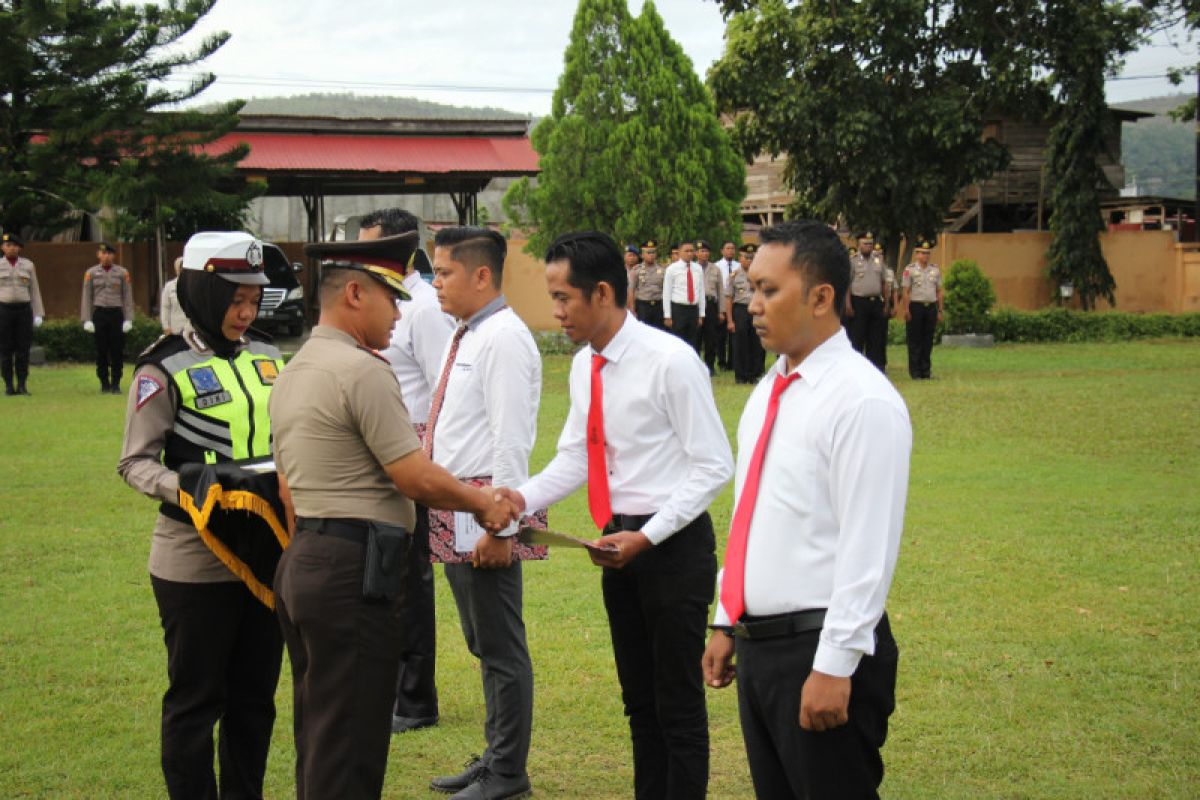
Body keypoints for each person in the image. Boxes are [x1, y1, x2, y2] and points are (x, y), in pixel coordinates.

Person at [270, 231, 518, 800]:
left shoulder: (294, 369)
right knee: (353, 739)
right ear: (355, 294)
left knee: (320, 727)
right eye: (392, 295)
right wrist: (484, 502)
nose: (402, 310)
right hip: (352, 569)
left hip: (305, 558)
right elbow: (411, 475)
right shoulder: (363, 370)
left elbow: (287, 488)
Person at [505, 231, 733, 800]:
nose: (555, 312)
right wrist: (518, 499)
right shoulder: (586, 366)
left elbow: (713, 467)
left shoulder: (671, 362)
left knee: (676, 701)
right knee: (638, 701)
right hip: (616, 546)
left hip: (672, 546)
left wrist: (648, 537)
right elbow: (577, 456)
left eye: (563, 298)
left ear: (602, 292)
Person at [702, 220, 911, 800]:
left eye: (770, 291)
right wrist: (726, 616)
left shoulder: (861, 402)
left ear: (821, 297)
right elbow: (753, 514)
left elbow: (868, 547)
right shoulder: (772, 389)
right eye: (751, 290)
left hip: (819, 647)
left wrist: (835, 664)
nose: (753, 307)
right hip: (758, 646)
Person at [118, 231, 285, 799]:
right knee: (195, 699)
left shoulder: (269, 356)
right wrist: (189, 486)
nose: (245, 312)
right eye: (234, 300)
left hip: (268, 553)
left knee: (255, 698)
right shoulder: (161, 367)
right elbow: (134, 463)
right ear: (203, 294)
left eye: (253, 300)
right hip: (195, 556)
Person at [425, 226, 546, 800]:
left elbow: (511, 441)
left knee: (500, 645)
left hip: (486, 508)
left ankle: (507, 775)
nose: (434, 283)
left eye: (443, 272)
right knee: (483, 641)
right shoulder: (469, 333)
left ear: (480, 275)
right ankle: (496, 758)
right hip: (457, 505)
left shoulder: (503, 337)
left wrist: (503, 528)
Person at [364, 207, 457, 736]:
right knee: (388, 567)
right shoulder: (393, 302)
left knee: (412, 578)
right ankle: (395, 686)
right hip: (382, 453)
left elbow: (442, 388)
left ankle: (417, 698)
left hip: (414, 451)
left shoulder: (422, 309)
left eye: (369, 247)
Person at [81, 242, 135, 393]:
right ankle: (104, 382)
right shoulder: (91, 273)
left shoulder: (122, 273)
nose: (106, 256)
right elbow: (87, 297)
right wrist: (86, 319)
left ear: (114, 255)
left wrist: (128, 318)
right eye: (103, 253)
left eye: (109, 253)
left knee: (117, 351)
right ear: (98, 255)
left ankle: (116, 383)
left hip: (116, 314)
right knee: (101, 351)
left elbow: (127, 296)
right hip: (100, 314)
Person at [0, 232, 44, 396]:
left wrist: (38, 313)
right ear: (2, 247)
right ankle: (9, 385)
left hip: (23, 310)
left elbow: (35, 290)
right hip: (4, 310)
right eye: (8, 245)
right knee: (5, 351)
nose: (11, 248)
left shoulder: (28, 265)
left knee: (22, 350)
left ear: (19, 248)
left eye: (14, 245)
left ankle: (22, 385)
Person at [844, 233, 889, 372]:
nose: (868, 246)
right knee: (857, 337)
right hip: (859, 302)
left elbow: (884, 283)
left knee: (876, 337)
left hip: (875, 301)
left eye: (870, 243)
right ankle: (856, 368)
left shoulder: (878, 260)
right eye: (865, 243)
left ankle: (875, 368)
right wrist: (848, 304)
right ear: (859, 245)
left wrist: (886, 303)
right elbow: (847, 285)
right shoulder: (852, 261)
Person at [900, 240, 943, 380]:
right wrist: (906, 309)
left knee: (928, 340)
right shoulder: (910, 270)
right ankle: (915, 372)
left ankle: (926, 371)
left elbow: (939, 291)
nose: (925, 256)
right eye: (923, 253)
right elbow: (906, 291)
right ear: (917, 254)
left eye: (927, 253)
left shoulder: (935, 270)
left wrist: (940, 310)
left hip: (930, 306)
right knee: (915, 340)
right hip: (916, 306)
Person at [727, 243, 765, 384]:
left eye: (752, 257)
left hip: (757, 310)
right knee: (740, 343)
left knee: (756, 342)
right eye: (746, 257)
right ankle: (741, 375)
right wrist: (730, 320)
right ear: (740, 258)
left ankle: (755, 374)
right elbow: (729, 297)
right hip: (741, 310)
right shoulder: (734, 275)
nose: (749, 260)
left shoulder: (761, 274)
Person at [662, 240, 704, 353]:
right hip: (678, 309)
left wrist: (701, 314)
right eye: (686, 251)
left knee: (693, 341)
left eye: (692, 251)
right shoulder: (672, 269)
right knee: (678, 341)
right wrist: (667, 315)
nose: (689, 253)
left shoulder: (698, 268)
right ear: (679, 252)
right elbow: (667, 293)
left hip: (692, 309)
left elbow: (701, 292)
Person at [698, 240, 726, 375]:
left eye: (706, 251)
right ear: (696, 253)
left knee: (711, 337)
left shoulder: (715, 269)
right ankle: (696, 365)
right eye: (702, 251)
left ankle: (710, 366)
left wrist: (721, 311)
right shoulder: (692, 267)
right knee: (696, 336)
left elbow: (720, 291)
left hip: (711, 304)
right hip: (696, 305)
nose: (704, 254)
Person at [629, 240, 666, 330]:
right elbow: (631, 290)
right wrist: (632, 309)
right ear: (642, 255)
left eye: (653, 252)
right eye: (648, 253)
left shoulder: (663, 270)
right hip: (643, 306)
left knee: (658, 332)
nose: (651, 255)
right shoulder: (636, 270)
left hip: (658, 306)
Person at [714, 241, 737, 370]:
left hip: (736, 303)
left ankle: (732, 362)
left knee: (734, 335)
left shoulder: (739, 266)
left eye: (733, 248)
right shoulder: (717, 266)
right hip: (722, 303)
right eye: (728, 248)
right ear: (722, 251)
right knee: (721, 336)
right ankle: (722, 362)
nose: (730, 251)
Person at [160, 257, 187, 335]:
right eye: (180, 268)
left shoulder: (193, 286)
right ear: (176, 269)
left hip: (191, 331)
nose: (183, 270)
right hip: (175, 330)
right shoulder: (169, 286)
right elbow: (165, 308)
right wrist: (166, 327)